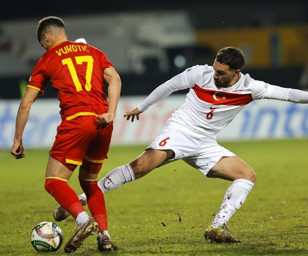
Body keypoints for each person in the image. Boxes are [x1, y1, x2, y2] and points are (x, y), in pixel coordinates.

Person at [54, 46, 308, 243]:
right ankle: (83, 197)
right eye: (214, 68)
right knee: (140, 167)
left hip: (205, 144)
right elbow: (169, 86)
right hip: (181, 131)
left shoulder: (252, 88)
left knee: (246, 175)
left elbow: (288, 93)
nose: (215, 74)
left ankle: (217, 227)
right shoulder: (201, 73)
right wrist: (142, 107)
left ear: (236, 73)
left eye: (221, 72)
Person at [10, 16, 121, 252]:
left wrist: (18, 138)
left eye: (43, 43)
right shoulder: (94, 51)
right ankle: (105, 236)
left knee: (54, 181)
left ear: (46, 38)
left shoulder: (47, 58)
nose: (44, 47)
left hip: (77, 121)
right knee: (89, 181)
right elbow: (115, 79)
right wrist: (111, 113)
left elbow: (26, 105)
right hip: (103, 122)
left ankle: (84, 221)